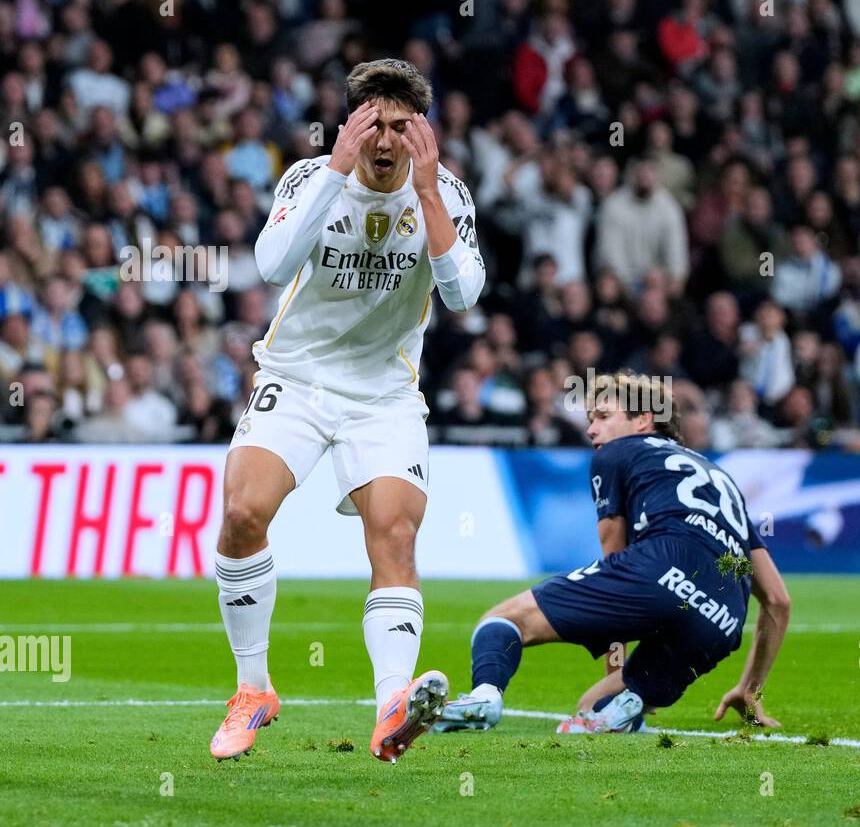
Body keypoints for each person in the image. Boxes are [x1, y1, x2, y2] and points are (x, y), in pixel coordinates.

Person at [207, 58, 486, 763]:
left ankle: (393, 704)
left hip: (383, 393)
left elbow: (463, 297)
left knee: (392, 532)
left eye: (400, 127)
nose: (386, 141)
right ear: (352, 126)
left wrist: (426, 194)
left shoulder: (445, 193)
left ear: (420, 132)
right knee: (242, 514)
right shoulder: (310, 179)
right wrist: (334, 168)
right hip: (297, 377)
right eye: (373, 126)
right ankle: (252, 690)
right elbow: (271, 265)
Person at [434, 371, 791, 735]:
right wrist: (751, 687)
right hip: (721, 620)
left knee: (505, 619)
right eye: (591, 420)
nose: (592, 430)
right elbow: (778, 600)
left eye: (603, 417)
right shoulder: (722, 478)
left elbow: (614, 563)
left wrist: (615, 664)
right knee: (591, 708)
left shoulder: (618, 452)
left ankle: (484, 696)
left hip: (659, 572)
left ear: (643, 420)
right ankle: (629, 704)